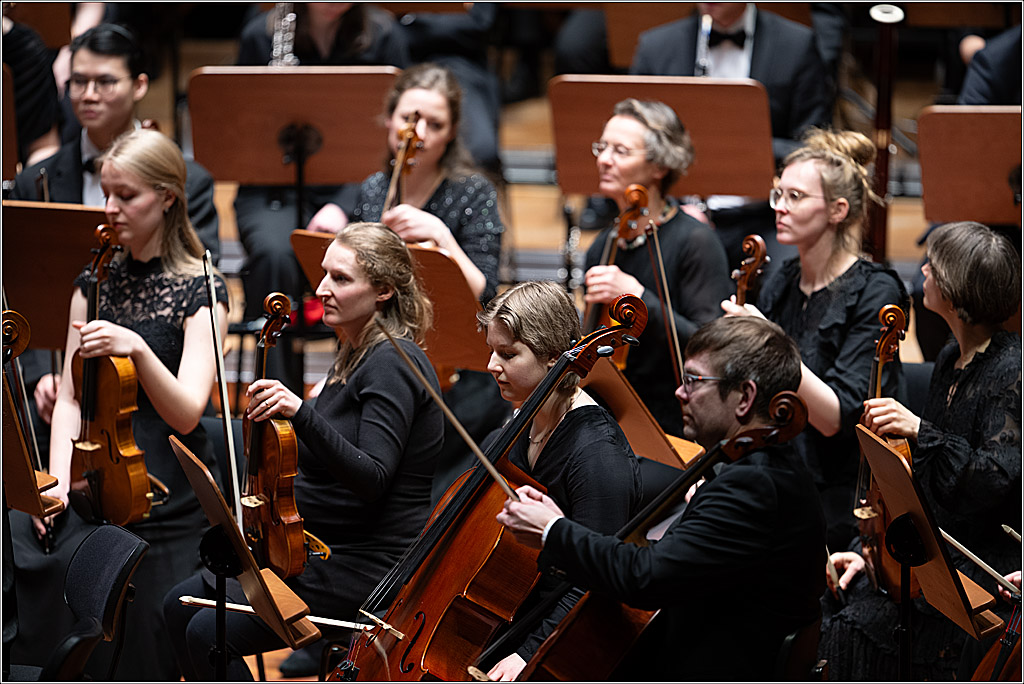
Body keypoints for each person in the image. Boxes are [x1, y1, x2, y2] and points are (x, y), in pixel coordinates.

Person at [162, 222, 445, 681]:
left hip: (363, 565)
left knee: (206, 632)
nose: (322, 289)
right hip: (309, 548)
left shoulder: (394, 362)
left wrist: (301, 412)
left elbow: (372, 476)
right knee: (177, 607)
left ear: (384, 291)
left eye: (341, 278)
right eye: (324, 273)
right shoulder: (353, 352)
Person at [8, 128, 229, 680]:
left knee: (147, 648)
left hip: (166, 493)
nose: (110, 208)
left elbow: (187, 411)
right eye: (106, 193)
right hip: (95, 480)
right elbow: (70, 397)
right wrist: (57, 482)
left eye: (126, 196)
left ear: (167, 198)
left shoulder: (202, 288)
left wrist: (138, 350)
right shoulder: (94, 281)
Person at [496, 315, 827, 680]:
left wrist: (553, 531)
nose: (680, 393)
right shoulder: (763, 468)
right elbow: (670, 560)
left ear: (744, 398)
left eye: (694, 381)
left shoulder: (754, 485)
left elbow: (647, 577)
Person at [820, 220, 1021, 681]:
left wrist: (920, 431)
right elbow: (924, 487)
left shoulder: (1012, 369)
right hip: (935, 555)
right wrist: (877, 557)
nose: (923, 270)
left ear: (955, 290)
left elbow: (994, 478)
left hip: (983, 569)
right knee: (836, 598)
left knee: (852, 629)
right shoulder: (950, 357)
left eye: (933, 265)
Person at [325, 62, 509, 506]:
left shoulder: (474, 192)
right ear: (390, 120)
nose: (418, 132)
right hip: (379, 356)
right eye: (409, 118)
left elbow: (484, 293)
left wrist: (442, 237)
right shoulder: (375, 189)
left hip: (456, 369)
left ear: (452, 132)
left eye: (435, 123)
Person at [721, 128, 909, 551]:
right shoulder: (784, 279)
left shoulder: (875, 291)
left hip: (838, 492)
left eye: (796, 197)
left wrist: (768, 341)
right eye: (778, 194)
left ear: (838, 210)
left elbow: (836, 418)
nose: (779, 207)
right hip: (777, 469)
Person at [475, 280, 642, 681]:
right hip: (506, 615)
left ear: (553, 357)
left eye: (508, 354)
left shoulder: (597, 454)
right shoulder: (518, 424)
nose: (492, 366)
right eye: (492, 351)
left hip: (558, 640)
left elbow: (595, 580)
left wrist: (527, 655)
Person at [630, 2, 831, 282]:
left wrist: (743, 147)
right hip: (678, 215)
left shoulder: (796, 45)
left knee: (788, 281)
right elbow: (637, 143)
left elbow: (814, 146)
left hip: (767, 216)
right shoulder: (656, 46)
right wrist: (671, 210)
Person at [583, 98, 733, 438]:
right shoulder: (602, 245)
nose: (604, 159)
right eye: (602, 148)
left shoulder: (695, 242)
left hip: (671, 422)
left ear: (660, 167)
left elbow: (710, 347)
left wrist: (638, 296)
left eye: (620, 151)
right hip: (609, 416)